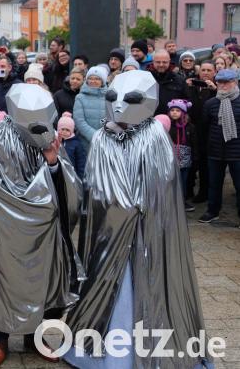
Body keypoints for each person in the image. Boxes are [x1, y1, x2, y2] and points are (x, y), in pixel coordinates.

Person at [64, 70, 209, 369]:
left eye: (129, 99)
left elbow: (161, 187)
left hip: (147, 234)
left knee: (147, 282)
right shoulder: (102, 137)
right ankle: (101, 351)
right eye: (113, 98)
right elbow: (96, 185)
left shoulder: (155, 136)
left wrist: (137, 209)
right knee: (108, 285)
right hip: (109, 232)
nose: (119, 105)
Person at [0, 84, 82, 366]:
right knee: (5, 278)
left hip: (44, 231)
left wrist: (52, 163)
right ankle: (1, 337)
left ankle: (36, 337)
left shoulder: (47, 134)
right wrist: (35, 205)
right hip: (5, 228)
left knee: (43, 280)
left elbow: (68, 183)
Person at [199, 69, 240, 224]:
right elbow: (204, 127)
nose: (223, 85)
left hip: (237, 151)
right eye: (220, 82)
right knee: (214, 184)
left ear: (235, 82)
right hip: (215, 150)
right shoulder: (211, 103)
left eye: (226, 82)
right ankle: (212, 211)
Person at [187, 59, 218, 203]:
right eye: (203, 70)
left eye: (209, 70)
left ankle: (204, 192)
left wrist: (214, 90)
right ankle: (188, 190)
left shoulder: (217, 88)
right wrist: (188, 87)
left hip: (209, 132)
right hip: (192, 131)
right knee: (191, 162)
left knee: (205, 165)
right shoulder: (192, 85)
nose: (205, 73)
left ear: (214, 72)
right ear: (199, 72)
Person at [168, 99, 197, 212]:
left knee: (183, 182)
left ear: (183, 113)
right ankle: (170, 202)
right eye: (172, 110)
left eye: (177, 110)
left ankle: (182, 202)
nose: (174, 112)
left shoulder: (190, 127)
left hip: (185, 159)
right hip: (170, 159)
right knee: (170, 181)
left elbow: (194, 143)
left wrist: (195, 157)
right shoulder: (167, 126)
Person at [73, 65, 109, 151]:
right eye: (90, 78)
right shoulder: (80, 97)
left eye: (97, 79)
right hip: (85, 142)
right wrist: (95, 136)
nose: (93, 81)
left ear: (102, 81)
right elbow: (79, 121)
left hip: (106, 141)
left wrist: (105, 136)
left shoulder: (109, 97)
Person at [150, 49, 188, 115]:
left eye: (164, 62)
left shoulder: (179, 80)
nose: (161, 65)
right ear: (153, 62)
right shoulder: (146, 78)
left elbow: (186, 101)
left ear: (169, 62)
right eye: (158, 62)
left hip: (172, 119)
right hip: (150, 118)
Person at [57, 115, 86, 179]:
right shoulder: (57, 142)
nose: (64, 132)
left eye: (67, 130)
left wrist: (80, 178)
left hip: (73, 176)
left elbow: (81, 162)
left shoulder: (76, 144)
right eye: (62, 129)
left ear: (72, 131)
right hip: (60, 175)